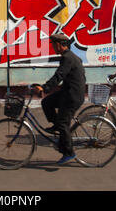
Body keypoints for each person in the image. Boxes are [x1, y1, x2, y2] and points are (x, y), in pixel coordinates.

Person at [32, 34, 86, 165]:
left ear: (58, 45)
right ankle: (58, 128)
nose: (52, 47)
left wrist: (44, 88)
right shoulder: (69, 57)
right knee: (47, 102)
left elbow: (59, 76)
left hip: (72, 96)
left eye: (53, 45)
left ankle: (69, 152)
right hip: (67, 93)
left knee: (63, 123)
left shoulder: (68, 58)